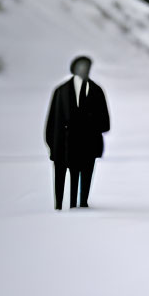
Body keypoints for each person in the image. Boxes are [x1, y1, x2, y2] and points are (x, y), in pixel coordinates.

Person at [44, 55, 109, 209]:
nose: (85, 70)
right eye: (81, 66)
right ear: (74, 68)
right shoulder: (61, 91)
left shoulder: (96, 91)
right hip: (63, 145)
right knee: (60, 178)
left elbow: (105, 124)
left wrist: (90, 125)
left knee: (85, 179)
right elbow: (52, 120)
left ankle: (81, 203)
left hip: (88, 146)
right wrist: (52, 144)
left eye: (87, 67)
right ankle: (59, 205)